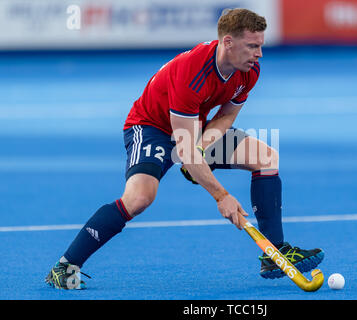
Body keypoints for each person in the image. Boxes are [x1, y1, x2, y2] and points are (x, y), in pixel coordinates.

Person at [45, 8, 324, 290]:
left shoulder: (248, 72)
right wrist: (221, 195)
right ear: (227, 42)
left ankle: (274, 252)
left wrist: (203, 147)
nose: (259, 54)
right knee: (139, 198)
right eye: (252, 46)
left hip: (193, 128)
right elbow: (184, 149)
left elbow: (226, 116)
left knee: (265, 157)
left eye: (260, 45)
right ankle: (66, 265)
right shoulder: (192, 73)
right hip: (152, 127)